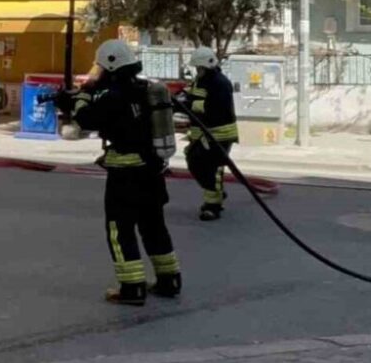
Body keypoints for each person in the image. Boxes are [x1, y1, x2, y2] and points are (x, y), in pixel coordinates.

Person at [56, 39, 181, 306]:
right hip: (152, 171)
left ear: (111, 65)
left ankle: (132, 288)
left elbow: (87, 120)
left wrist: (79, 99)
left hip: (126, 176)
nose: (98, 72)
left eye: (100, 67)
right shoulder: (145, 90)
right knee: (154, 226)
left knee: (119, 229)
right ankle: (169, 279)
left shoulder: (113, 96)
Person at [182, 47, 239, 222]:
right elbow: (191, 95)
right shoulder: (200, 80)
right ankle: (216, 192)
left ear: (206, 66)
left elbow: (216, 109)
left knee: (212, 169)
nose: (197, 71)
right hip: (202, 134)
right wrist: (181, 98)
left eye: (199, 68)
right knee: (194, 162)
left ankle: (213, 206)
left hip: (219, 134)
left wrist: (189, 105)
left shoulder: (220, 83)